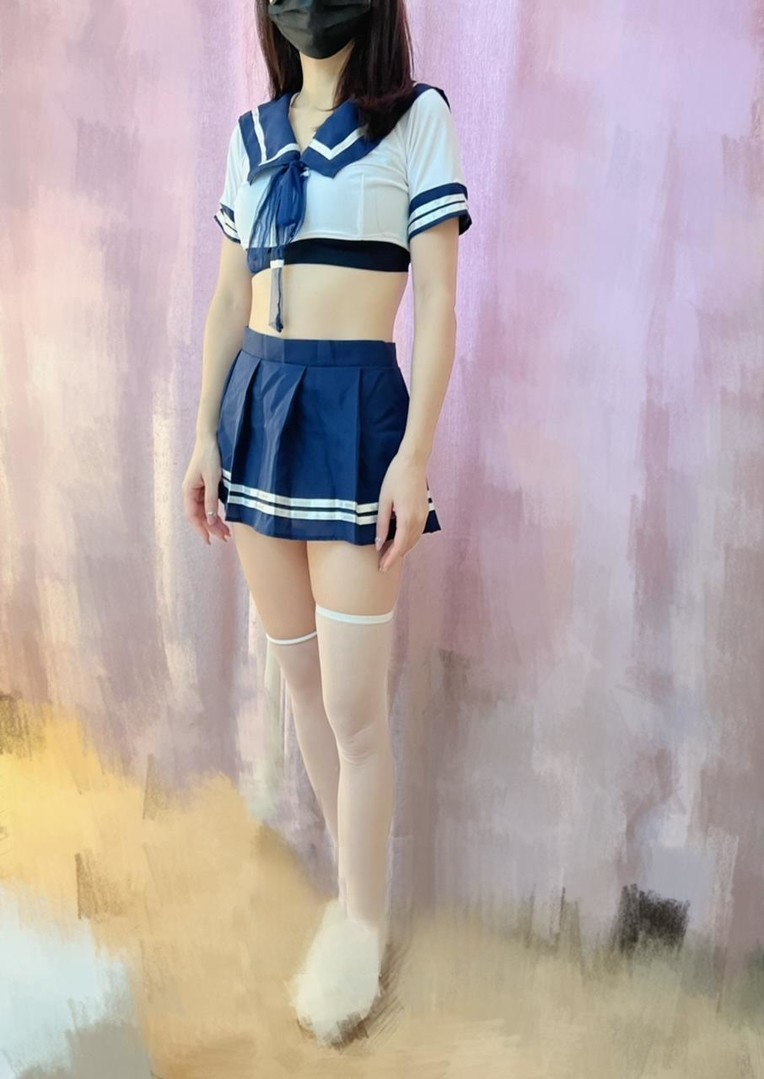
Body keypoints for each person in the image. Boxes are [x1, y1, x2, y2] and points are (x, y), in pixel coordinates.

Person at [181, 0, 471, 1046]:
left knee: (355, 707)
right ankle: (352, 900)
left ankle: (360, 930)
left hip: (358, 421)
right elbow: (229, 299)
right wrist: (203, 435)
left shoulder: (417, 119)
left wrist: (413, 455)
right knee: (301, 683)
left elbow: (435, 304)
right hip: (259, 416)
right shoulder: (250, 136)